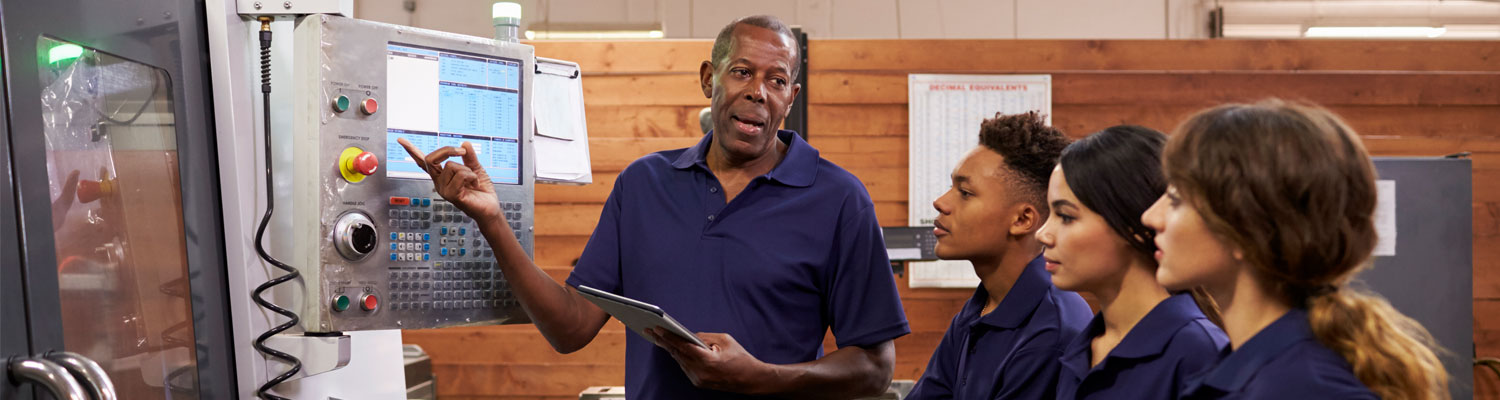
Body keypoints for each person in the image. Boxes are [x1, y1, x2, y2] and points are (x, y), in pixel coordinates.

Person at [399, 15, 908, 399]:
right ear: (709, 79)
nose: (758, 92)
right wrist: (491, 219)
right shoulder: (644, 185)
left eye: (776, 81)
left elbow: (874, 368)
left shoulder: (839, 199)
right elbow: (569, 328)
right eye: (741, 72)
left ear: (791, 97)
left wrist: (761, 377)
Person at [1141, 100, 1449, 399]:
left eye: (1176, 200)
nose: (1150, 217)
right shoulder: (1254, 370)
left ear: (1247, 228)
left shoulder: (1304, 387)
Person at [907, 111, 1092, 400]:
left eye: (965, 192)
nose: (940, 202)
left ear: (1022, 220)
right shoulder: (978, 311)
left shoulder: (1050, 332)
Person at [1035, 125, 1228, 399]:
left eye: (1066, 216)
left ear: (1134, 225)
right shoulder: (1081, 348)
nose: (1043, 233)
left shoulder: (1198, 352)